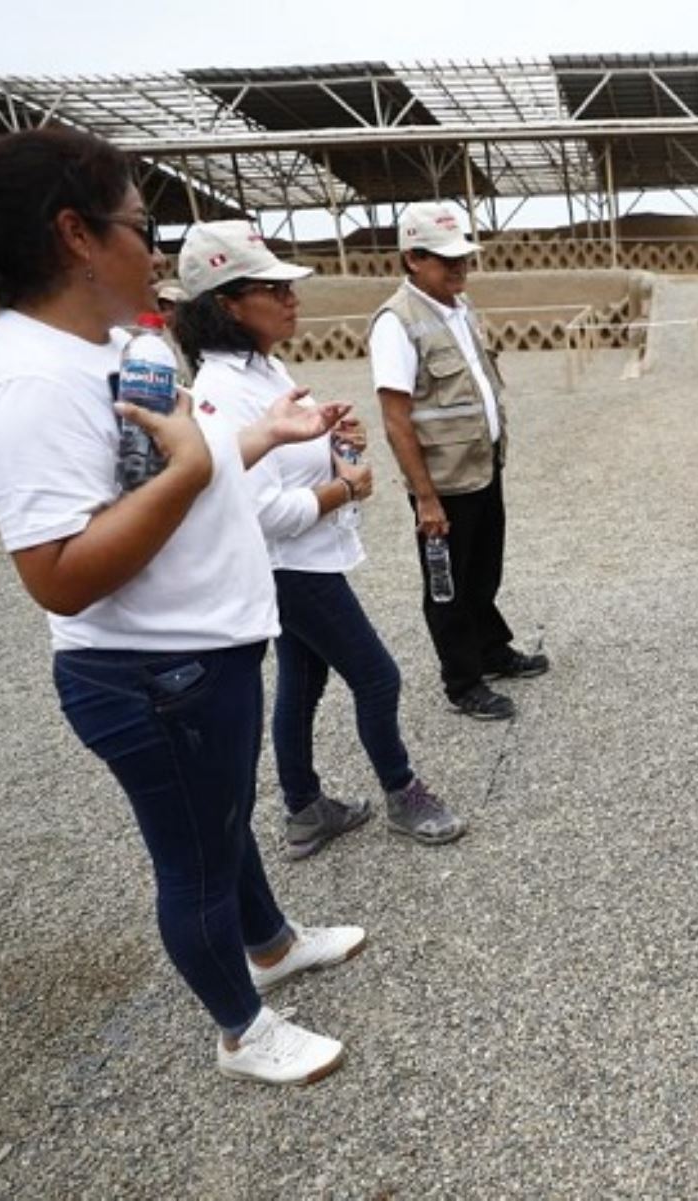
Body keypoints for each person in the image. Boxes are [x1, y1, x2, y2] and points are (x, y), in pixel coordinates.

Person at [0, 127, 364, 1086]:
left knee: (222, 820)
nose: (153, 249)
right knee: (193, 856)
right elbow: (60, 570)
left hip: (199, 653)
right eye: (138, 225)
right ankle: (241, 1026)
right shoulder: (28, 382)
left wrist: (267, 435)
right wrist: (195, 464)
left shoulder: (104, 348)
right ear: (76, 234)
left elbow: (163, 477)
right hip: (154, 674)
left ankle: (270, 941)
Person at [175, 220, 469, 858]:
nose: (291, 299)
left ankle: (305, 810)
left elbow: (292, 454)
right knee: (378, 677)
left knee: (302, 683)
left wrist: (336, 441)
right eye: (272, 289)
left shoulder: (265, 368)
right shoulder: (221, 391)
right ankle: (401, 791)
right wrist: (347, 489)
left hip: (303, 559)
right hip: (288, 567)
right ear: (227, 304)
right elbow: (256, 512)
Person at [371, 200, 548, 722]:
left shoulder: (461, 308)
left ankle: (491, 649)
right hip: (442, 485)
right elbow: (396, 420)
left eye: (462, 256)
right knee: (446, 586)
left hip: (482, 467)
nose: (458, 266)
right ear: (412, 259)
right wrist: (425, 497)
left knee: (483, 570)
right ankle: (463, 682)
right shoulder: (396, 323)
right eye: (444, 258)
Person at [153, 280, 192, 388]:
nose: (168, 314)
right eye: (163, 309)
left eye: (172, 308)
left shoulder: (205, 339)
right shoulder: (160, 345)